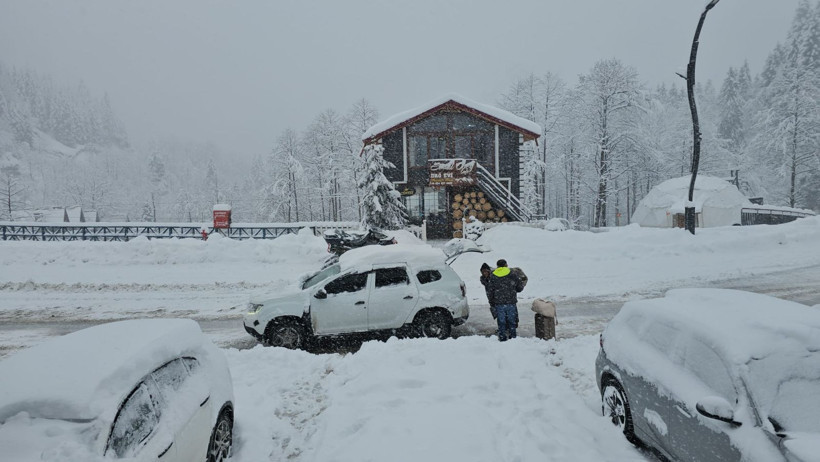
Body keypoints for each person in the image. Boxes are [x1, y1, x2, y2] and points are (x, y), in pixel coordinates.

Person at [486, 259, 524, 341]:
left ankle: (502, 337)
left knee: (501, 321)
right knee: (512, 321)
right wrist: (515, 289)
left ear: (497, 266)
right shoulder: (512, 273)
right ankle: (513, 337)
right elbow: (520, 286)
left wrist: (492, 302)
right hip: (511, 302)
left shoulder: (493, 275)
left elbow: (490, 291)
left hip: (499, 302)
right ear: (506, 264)